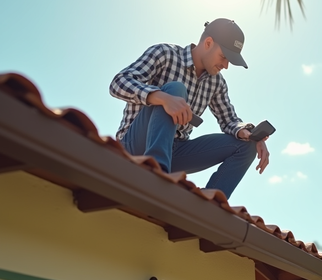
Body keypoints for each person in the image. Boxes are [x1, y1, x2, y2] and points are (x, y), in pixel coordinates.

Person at [109, 18, 270, 199]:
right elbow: (118, 82)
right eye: (224, 57)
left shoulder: (216, 83)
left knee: (246, 146)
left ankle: (210, 204)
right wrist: (161, 98)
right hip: (135, 145)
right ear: (208, 43)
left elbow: (230, 120)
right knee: (176, 89)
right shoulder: (165, 53)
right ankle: (156, 174)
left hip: (175, 151)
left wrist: (249, 134)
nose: (226, 66)